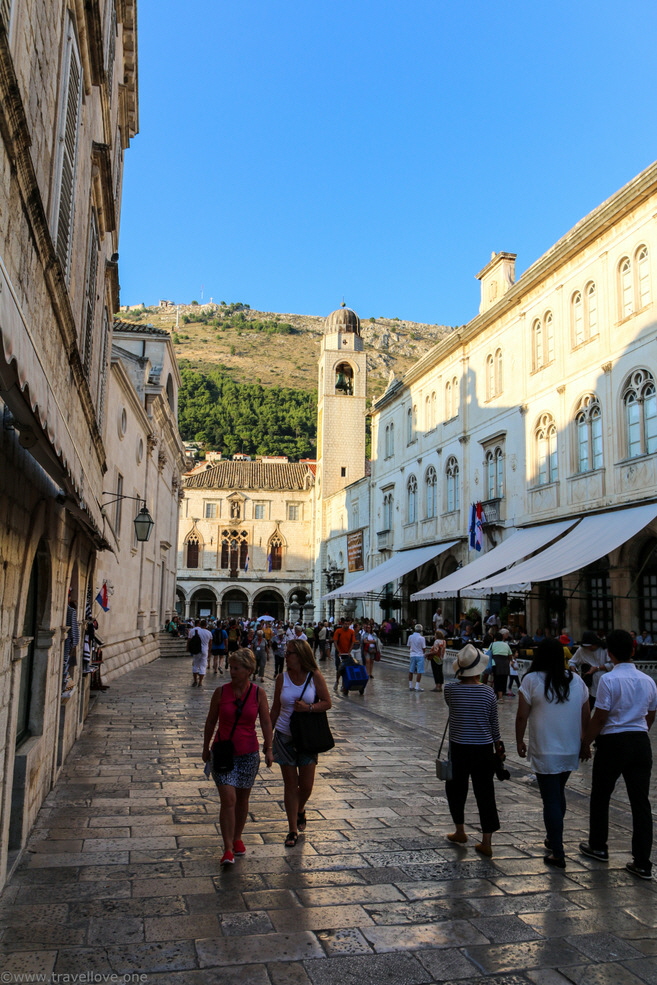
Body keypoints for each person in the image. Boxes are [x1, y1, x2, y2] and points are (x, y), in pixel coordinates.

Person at [579, 629, 657, 880]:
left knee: (601, 795)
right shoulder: (648, 681)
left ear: (609, 654)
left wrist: (586, 742)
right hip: (640, 741)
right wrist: (638, 732)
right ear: (633, 650)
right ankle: (642, 861)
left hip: (613, 741)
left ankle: (599, 845)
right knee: (640, 802)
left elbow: (600, 716)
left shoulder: (609, 680)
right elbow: (651, 715)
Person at [515, 638, 590, 868]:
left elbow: (522, 715)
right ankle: (552, 837)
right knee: (558, 794)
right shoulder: (576, 680)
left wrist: (519, 740)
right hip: (570, 748)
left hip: (545, 749)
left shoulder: (532, 680)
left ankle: (558, 851)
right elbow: (585, 714)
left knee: (550, 799)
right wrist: (585, 743)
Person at [202, 647, 274, 865]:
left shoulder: (258, 694)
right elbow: (211, 721)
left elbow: (266, 722)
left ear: (248, 670)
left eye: (236, 668)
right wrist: (205, 747)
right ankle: (227, 848)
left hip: (248, 754)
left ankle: (237, 837)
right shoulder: (221, 692)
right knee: (228, 799)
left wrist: (269, 747)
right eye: (231, 667)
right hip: (223, 753)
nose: (231, 672)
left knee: (242, 799)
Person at [270, 639, 332, 847]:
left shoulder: (314, 676)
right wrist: (267, 738)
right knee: (290, 785)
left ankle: (300, 808)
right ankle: (292, 829)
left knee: (305, 786)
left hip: (307, 737)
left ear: (300, 656)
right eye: (286, 652)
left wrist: (308, 708)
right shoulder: (282, 678)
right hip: (284, 736)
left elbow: (327, 702)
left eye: (290, 653)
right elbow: (275, 708)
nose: (286, 656)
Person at [444, 644, 503, 857]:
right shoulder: (488, 692)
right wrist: (498, 745)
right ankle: (486, 841)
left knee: (456, 789)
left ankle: (460, 830)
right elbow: (493, 723)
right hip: (483, 749)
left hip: (459, 747)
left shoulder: (450, 690)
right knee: (485, 792)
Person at [569, 630, 610, 709]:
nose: (589, 648)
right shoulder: (582, 650)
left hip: (603, 681)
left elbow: (612, 665)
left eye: (591, 646)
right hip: (589, 684)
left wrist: (597, 668)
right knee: (588, 705)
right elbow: (572, 661)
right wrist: (573, 667)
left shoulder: (604, 649)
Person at [189, 619, 213, 688]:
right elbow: (210, 643)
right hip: (205, 650)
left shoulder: (196, 631)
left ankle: (195, 680)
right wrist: (209, 651)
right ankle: (200, 682)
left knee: (195, 665)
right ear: (206, 625)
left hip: (197, 649)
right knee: (203, 666)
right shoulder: (209, 633)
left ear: (200, 624)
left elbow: (191, 639)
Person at [489, 632, 513, 700]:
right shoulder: (506, 644)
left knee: (497, 679)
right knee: (504, 679)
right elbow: (510, 655)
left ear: (495, 639)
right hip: (505, 663)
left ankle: (499, 696)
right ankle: (501, 694)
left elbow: (489, 653)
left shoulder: (492, 644)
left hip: (496, 663)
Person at [407, 623, 426, 691]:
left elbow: (409, 646)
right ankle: (417, 686)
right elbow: (424, 648)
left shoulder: (410, 637)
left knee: (411, 670)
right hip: (420, 655)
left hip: (412, 655)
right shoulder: (422, 638)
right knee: (419, 671)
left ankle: (410, 685)